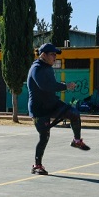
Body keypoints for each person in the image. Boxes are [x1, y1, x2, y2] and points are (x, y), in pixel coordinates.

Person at [27, 43, 90, 175]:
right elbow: (45, 86)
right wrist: (65, 86)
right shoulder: (36, 68)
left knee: (74, 113)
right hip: (39, 109)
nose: (55, 57)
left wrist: (63, 85)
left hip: (52, 104)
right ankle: (37, 166)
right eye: (52, 54)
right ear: (43, 55)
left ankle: (76, 140)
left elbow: (52, 85)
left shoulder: (48, 67)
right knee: (44, 137)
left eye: (56, 54)